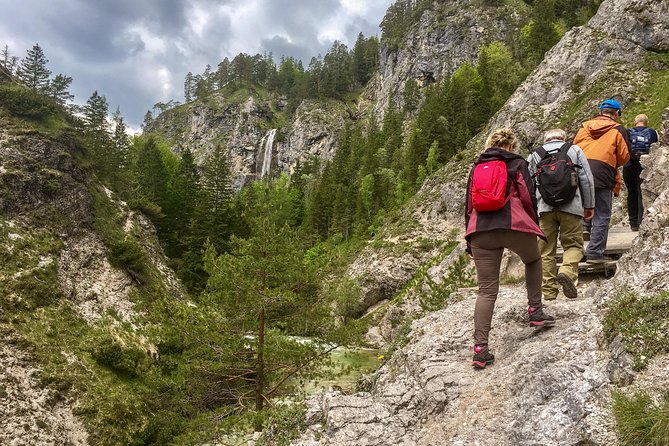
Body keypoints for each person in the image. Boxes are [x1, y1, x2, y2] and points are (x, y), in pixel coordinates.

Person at [465, 127, 555, 369]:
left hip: (480, 231)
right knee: (533, 260)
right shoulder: (517, 163)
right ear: (511, 146)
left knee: (486, 291)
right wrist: (533, 225)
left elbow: (469, 205)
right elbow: (528, 197)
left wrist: (469, 242)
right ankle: (535, 311)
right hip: (512, 224)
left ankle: (480, 350)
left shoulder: (476, 167)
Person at [529, 129, 595, 300]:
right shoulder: (574, 150)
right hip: (571, 207)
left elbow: (529, 185)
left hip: (544, 209)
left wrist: (532, 212)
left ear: (545, 140)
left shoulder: (535, 155)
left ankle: (549, 292)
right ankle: (566, 271)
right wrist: (589, 205)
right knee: (574, 245)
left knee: (545, 251)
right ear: (564, 138)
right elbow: (586, 179)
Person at [573, 99, 630, 263]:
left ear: (601, 111)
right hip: (603, 172)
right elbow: (624, 156)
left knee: (583, 207)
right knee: (602, 214)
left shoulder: (584, 127)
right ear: (617, 113)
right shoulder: (617, 129)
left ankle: (583, 232)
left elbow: (574, 147)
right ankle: (595, 253)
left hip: (581, 170)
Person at [623, 114, 658, 231]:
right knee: (641, 192)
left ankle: (633, 223)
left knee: (631, 192)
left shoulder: (627, 132)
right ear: (646, 122)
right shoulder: (652, 132)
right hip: (645, 166)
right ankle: (641, 220)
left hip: (629, 165)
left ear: (635, 122)